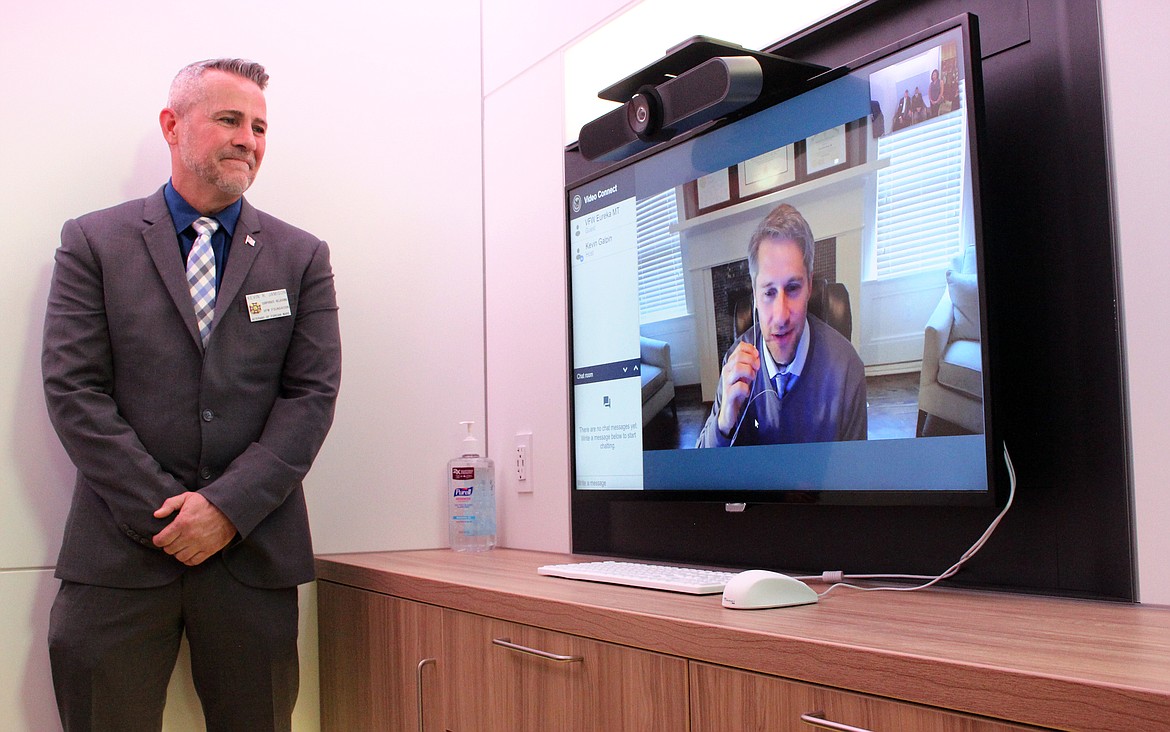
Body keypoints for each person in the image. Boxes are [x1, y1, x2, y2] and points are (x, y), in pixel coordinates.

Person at [41, 58, 342, 731]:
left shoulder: (300, 256)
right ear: (172, 126)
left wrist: (225, 510)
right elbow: (73, 388)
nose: (248, 139)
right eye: (230, 119)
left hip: (251, 554)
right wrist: (170, 516)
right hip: (118, 555)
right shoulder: (94, 241)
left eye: (260, 127)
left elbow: (311, 397)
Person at [697, 203, 866, 447]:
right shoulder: (735, 363)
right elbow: (704, 464)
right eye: (769, 292)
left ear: (809, 286)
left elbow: (855, 468)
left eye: (793, 288)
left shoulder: (848, 370)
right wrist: (723, 424)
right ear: (755, 293)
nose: (780, 316)